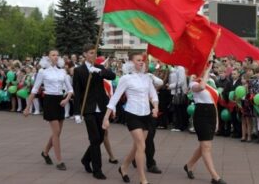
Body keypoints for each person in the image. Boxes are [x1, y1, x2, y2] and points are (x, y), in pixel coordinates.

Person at [103, 51, 159, 184]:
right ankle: (142, 179)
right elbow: (114, 98)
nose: (141, 62)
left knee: (137, 147)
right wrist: (106, 117)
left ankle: (123, 167)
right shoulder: (126, 79)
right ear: (131, 62)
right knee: (141, 145)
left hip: (146, 115)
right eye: (138, 60)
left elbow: (153, 95)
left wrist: (156, 107)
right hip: (132, 114)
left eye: (142, 60)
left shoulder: (147, 78)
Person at [23, 49, 73, 171]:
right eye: (53, 55)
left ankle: (45, 152)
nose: (55, 57)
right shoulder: (42, 72)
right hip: (49, 101)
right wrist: (27, 107)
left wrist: (66, 99)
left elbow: (70, 90)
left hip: (60, 101)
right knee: (56, 131)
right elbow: (35, 90)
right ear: (48, 57)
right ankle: (60, 161)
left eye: (57, 55)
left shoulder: (63, 72)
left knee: (58, 132)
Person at [73, 44, 116, 180]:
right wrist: (76, 112)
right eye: (91, 53)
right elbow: (78, 92)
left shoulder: (99, 67)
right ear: (85, 54)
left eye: (95, 53)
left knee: (100, 138)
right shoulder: (78, 70)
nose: (94, 55)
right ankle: (97, 170)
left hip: (102, 108)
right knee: (94, 138)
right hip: (88, 109)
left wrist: (100, 72)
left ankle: (86, 159)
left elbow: (112, 76)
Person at [184, 62, 227, 184]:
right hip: (201, 114)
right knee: (206, 146)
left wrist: (217, 120)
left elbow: (214, 103)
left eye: (205, 68)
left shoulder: (212, 83)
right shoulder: (193, 82)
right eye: (202, 68)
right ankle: (215, 177)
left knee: (204, 145)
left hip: (212, 114)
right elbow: (201, 87)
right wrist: (207, 72)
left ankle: (189, 165)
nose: (204, 69)